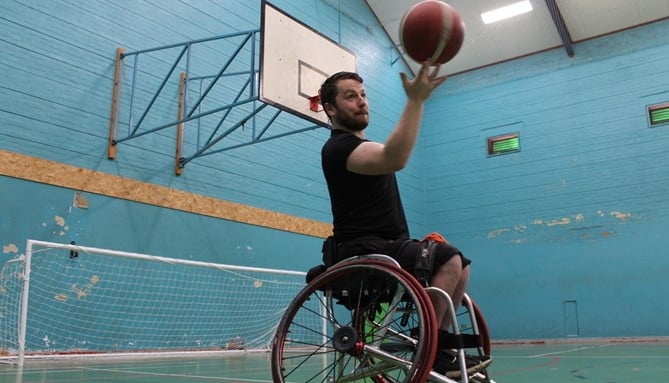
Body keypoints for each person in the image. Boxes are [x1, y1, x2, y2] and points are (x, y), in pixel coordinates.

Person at [318, 62, 491, 377]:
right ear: (330, 108)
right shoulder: (338, 148)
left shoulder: (361, 146)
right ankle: (430, 345)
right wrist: (416, 100)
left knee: (460, 265)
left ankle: (437, 344)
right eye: (350, 97)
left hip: (389, 247)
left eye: (363, 94)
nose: (362, 101)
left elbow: (389, 153)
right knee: (448, 258)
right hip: (362, 250)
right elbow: (394, 157)